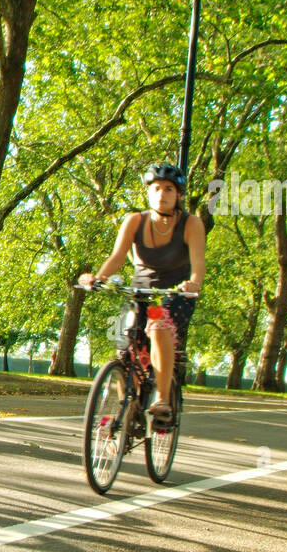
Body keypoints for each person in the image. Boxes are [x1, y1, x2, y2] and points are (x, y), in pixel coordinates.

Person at [76, 162, 207, 421]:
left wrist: (193, 283)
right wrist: (98, 278)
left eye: (169, 189)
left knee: (159, 327)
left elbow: (198, 263)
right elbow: (117, 257)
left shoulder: (192, 224)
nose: (162, 194)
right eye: (156, 188)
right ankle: (130, 410)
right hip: (140, 291)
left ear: (179, 194)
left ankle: (162, 399)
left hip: (175, 294)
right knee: (127, 351)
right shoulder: (134, 221)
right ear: (148, 192)